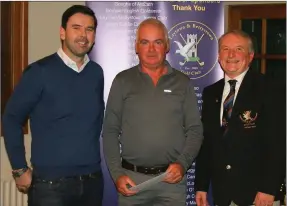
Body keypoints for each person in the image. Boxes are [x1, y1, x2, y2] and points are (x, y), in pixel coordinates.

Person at [2, 5, 105, 206]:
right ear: (62, 32)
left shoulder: (96, 73)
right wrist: (19, 168)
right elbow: (11, 118)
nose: (83, 35)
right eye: (76, 28)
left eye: (89, 29)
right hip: (50, 186)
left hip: (92, 182)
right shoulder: (39, 72)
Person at [102, 18, 203, 206]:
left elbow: (195, 130)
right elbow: (110, 131)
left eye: (157, 42)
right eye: (144, 42)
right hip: (132, 182)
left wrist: (182, 164)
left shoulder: (183, 82)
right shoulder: (122, 81)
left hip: (171, 183)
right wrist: (117, 174)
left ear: (167, 46)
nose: (151, 49)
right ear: (136, 46)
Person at [194, 30, 286, 206]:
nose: (231, 55)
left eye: (238, 49)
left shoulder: (270, 89)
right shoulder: (210, 93)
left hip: (259, 195)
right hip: (222, 195)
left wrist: (269, 188)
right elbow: (207, 144)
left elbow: (279, 144)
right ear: (219, 55)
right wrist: (202, 186)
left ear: (250, 56)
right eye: (225, 49)